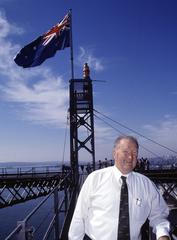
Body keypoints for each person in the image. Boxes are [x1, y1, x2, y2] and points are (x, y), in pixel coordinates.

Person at [68, 136, 170, 240]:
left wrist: (163, 234)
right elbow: (79, 217)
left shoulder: (147, 184)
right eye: (125, 152)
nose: (130, 157)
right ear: (114, 153)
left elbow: (159, 215)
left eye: (135, 153)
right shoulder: (95, 179)